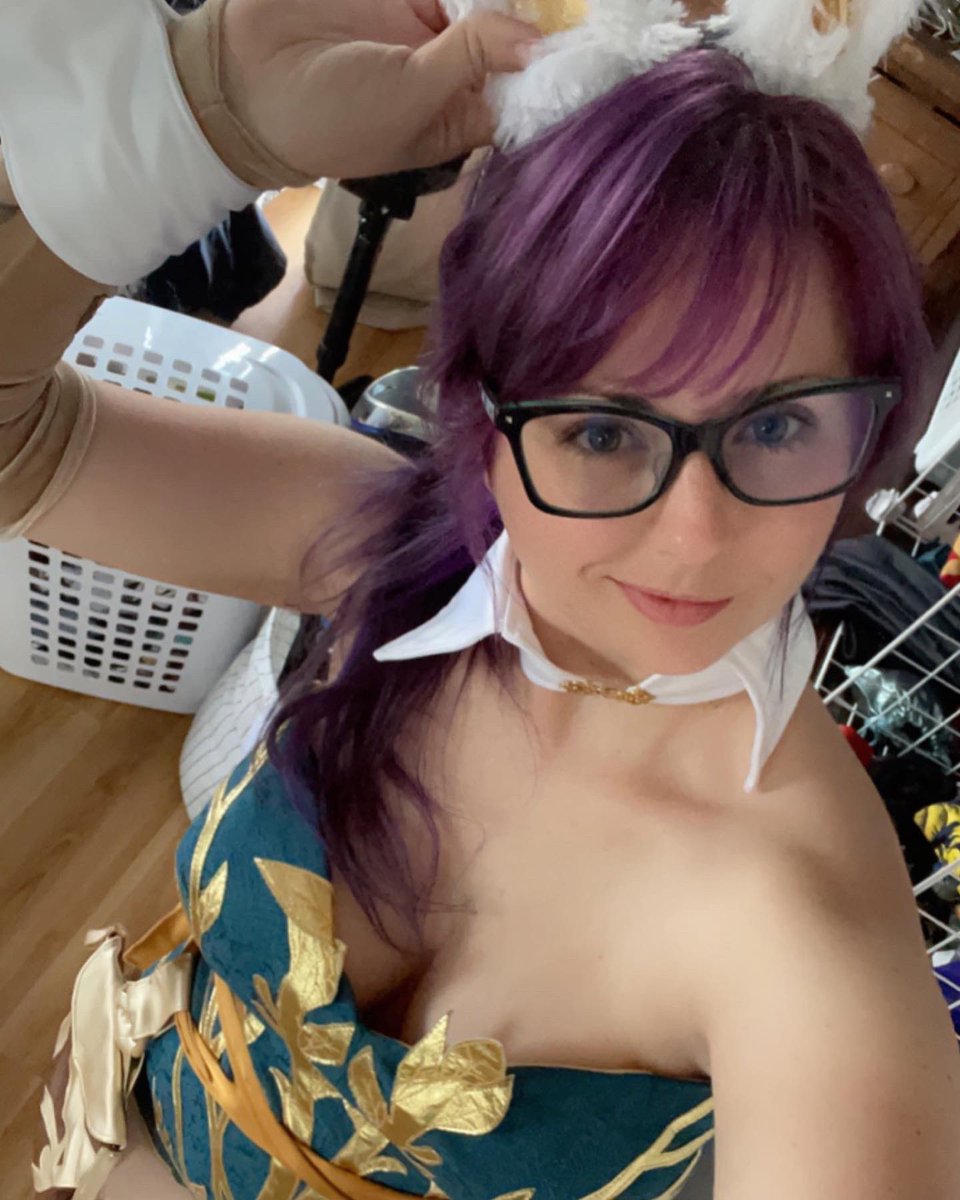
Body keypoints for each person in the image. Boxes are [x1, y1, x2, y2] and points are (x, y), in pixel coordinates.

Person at [4, 0, 959, 1197]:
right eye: (602, 430)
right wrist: (201, 115)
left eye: (776, 426)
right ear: (479, 413)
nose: (696, 538)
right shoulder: (396, 552)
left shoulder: (805, 950)